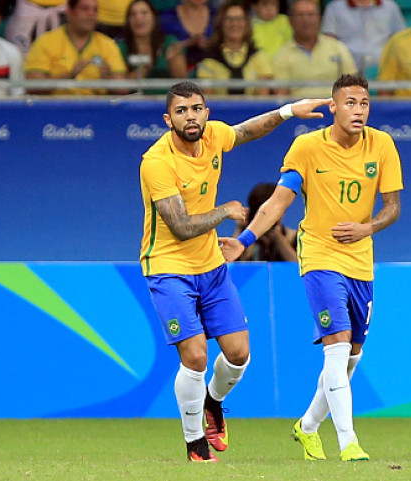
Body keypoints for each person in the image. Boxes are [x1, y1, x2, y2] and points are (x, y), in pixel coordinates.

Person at [139, 81, 329, 462]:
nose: (190, 117)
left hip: (210, 266)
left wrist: (289, 110)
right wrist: (224, 212)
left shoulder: (213, 136)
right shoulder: (156, 162)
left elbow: (248, 130)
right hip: (168, 266)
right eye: (181, 111)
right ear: (167, 118)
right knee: (194, 357)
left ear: (206, 112)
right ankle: (195, 444)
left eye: (196, 109)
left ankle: (212, 402)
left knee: (239, 354)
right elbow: (179, 225)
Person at [220, 73, 403, 462]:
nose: (358, 110)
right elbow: (277, 203)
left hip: (361, 260)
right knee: (336, 347)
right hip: (319, 255)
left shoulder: (383, 144)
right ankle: (348, 442)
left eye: (365, 103)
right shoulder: (306, 147)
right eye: (350, 102)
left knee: (353, 355)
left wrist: (366, 227)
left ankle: (306, 427)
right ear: (332, 107)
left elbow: (392, 207)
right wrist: (245, 239)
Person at [24, 0, 127, 95]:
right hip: (55, 109)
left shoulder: (107, 44)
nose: (91, 14)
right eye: (85, 9)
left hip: (95, 109)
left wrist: (108, 78)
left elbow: (124, 88)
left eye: (95, 10)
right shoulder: (45, 42)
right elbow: (33, 85)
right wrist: (69, 75)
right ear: (69, 12)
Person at [271, 0, 357, 97]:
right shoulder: (282, 55)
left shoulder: (337, 47)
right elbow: (281, 95)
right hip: (299, 109)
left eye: (311, 15)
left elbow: (353, 86)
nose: (306, 20)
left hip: (334, 107)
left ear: (319, 18)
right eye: (300, 15)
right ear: (290, 21)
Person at [196, 0, 273, 95]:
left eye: (239, 19)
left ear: (246, 23)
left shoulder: (259, 56)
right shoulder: (208, 59)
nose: (234, 24)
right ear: (221, 23)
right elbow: (208, 100)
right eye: (229, 19)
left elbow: (263, 100)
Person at [320, 0, 405, 73]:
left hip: (381, 68)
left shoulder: (390, 7)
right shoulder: (334, 8)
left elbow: (398, 40)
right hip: (345, 69)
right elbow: (329, 42)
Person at [117, 0, 187, 84]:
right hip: (132, 96)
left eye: (144, 13)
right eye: (133, 14)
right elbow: (120, 86)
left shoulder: (170, 43)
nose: (138, 18)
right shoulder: (121, 47)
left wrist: (172, 62)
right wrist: (143, 70)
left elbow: (183, 81)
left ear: (154, 17)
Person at [232, 182, 298, 261]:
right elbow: (227, 266)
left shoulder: (293, 237)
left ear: (282, 211)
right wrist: (240, 231)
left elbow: (300, 269)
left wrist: (279, 239)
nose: (264, 217)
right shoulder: (246, 238)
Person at [160, 0, 216, 74]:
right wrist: (187, 43)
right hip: (175, 71)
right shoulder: (167, 17)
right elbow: (163, 47)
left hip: (212, 71)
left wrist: (210, 45)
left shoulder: (217, 16)